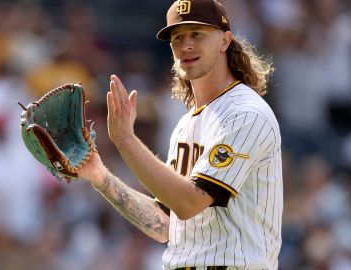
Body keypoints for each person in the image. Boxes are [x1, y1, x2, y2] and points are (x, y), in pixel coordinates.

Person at [78, 0, 283, 269]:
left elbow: (189, 202)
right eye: (177, 37)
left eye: (197, 33)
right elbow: (164, 224)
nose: (186, 45)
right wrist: (100, 176)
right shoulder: (186, 123)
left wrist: (125, 140)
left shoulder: (245, 113)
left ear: (224, 41)